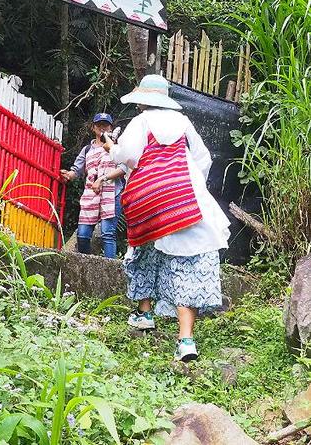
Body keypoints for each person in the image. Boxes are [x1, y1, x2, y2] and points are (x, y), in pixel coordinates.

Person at [103, 74, 230, 362]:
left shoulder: (141, 121)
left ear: (142, 102)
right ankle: (186, 341)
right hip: (184, 199)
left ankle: (145, 314)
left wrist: (113, 149)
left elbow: (127, 155)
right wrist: (191, 186)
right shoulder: (183, 123)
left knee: (143, 247)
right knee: (187, 259)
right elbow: (204, 159)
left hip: (147, 197)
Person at [60, 113, 127, 258]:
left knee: (108, 234)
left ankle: (110, 270)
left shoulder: (116, 146)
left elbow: (123, 168)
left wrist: (102, 179)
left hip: (112, 193)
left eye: (106, 125)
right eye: (99, 125)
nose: (102, 128)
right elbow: (76, 170)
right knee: (83, 235)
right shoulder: (87, 150)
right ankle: (88, 264)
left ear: (110, 127)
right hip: (91, 194)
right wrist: (68, 175)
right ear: (93, 127)